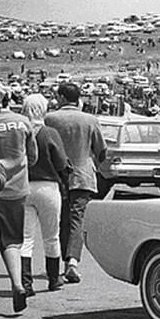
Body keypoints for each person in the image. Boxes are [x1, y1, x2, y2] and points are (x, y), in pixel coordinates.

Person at [45, 83, 106, 284]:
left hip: (57, 176)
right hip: (83, 175)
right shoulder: (90, 120)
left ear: (62, 97)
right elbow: (101, 150)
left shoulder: (51, 119)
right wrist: (95, 162)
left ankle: (60, 261)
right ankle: (72, 262)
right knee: (76, 220)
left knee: (60, 220)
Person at [0, 80, 37, 314]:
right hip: (17, 190)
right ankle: (18, 285)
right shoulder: (22, 122)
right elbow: (33, 156)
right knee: (12, 241)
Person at [21, 94, 71, 295]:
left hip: (24, 186)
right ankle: (53, 278)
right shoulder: (50, 133)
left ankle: (25, 282)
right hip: (48, 187)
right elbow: (61, 163)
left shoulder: (21, 132)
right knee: (52, 236)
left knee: (25, 238)